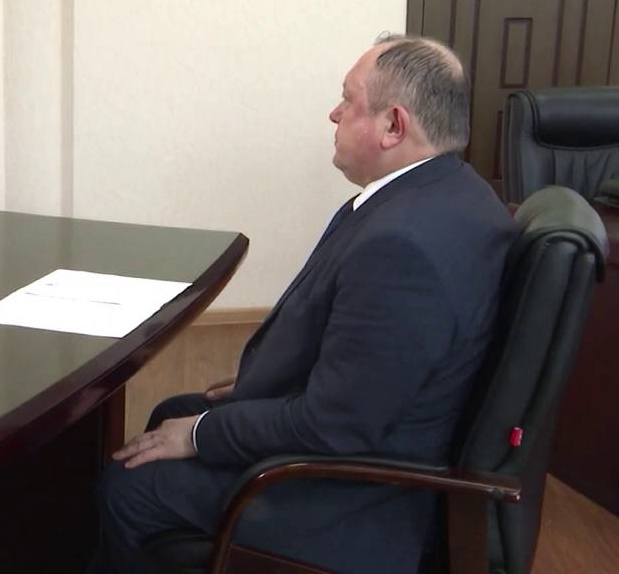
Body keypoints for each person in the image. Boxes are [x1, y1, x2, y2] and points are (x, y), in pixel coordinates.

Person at [94, 35, 520, 574]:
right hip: (375, 435)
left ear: (394, 125)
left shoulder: (404, 247)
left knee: (128, 487)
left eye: (348, 100)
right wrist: (262, 384)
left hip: (353, 498)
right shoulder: (454, 193)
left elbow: (336, 426)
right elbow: (374, 365)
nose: (334, 114)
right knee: (171, 414)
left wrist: (202, 433)